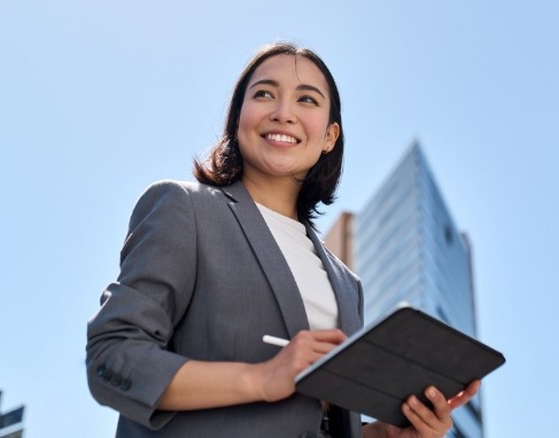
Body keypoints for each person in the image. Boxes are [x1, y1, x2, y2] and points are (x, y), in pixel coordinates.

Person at [85, 42, 479, 438]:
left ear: (329, 136)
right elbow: (113, 358)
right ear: (238, 118)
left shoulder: (347, 284)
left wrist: (384, 435)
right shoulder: (185, 208)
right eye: (264, 94)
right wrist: (261, 378)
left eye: (306, 100)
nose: (283, 113)